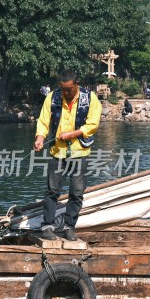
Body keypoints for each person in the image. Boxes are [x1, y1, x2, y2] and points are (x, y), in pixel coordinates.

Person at [33, 71, 101, 241]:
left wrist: (72, 134)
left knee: (77, 192)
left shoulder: (90, 98)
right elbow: (43, 121)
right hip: (58, 152)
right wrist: (40, 138)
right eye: (62, 89)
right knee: (52, 190)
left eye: (69, 89)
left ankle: (69, 226)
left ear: (76, 85)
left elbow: (92, 124)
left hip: (79, 152)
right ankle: (48, 226)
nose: (65, 93)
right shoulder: (52, 97)